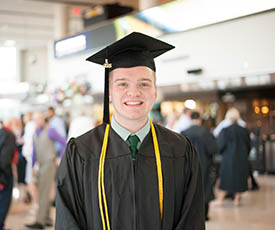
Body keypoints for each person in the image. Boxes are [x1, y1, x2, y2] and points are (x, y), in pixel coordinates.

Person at [55, 32, 205, 230]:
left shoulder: (180, 150)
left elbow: (191, 221)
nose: (134, 92)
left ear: (155, 92)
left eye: (143, 83)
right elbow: (68, 222)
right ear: (109, 92)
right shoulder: (81, 152)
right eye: (123, 84)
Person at [25, 112, 67, 229]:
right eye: (34, 120)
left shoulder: (50, 130)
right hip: (40, 164)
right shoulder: (35, 133)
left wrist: (60, 157)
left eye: (38, 119)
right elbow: (34, 152)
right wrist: (33, 167)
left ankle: (40, 221)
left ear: (43, 119)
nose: (37, 121)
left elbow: (64, 142)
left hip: (49, 163)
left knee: (43, 191)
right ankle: (47, 218)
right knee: (45, 190)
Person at [182, 112, 217, 221]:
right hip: (204, 164)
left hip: (187, 164)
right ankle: (204, 215)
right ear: (200, 118)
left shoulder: (184, 132)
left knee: (188, 188)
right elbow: (213, 149)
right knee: (205, 188)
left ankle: (190, 215)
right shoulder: (205, 132)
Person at [213, 107, 251, 206]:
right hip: (242, 158)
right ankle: (236, 200)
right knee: (239, 178)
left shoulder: (225, 130)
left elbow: (220, 146)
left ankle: (220, 200)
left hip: (228, 159)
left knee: (226, 179)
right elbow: (249, 145)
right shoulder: (244, 130)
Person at [0, 118, 17, 230]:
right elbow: (5, 159)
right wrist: (3, 179)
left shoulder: (2, 133)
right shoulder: (10, 135)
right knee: (4, 201)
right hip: (3, 175)